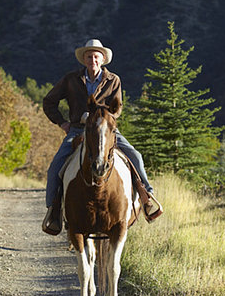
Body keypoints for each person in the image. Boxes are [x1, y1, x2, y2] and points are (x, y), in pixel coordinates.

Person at [42, 38, 154, 235]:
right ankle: (53, 211)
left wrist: (103, 120)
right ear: (83, 59)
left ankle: (148, 198)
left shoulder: (114, 80)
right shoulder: (70, 79)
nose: (92, 60)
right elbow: (49, 101)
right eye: (89, 56)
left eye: (96, 56)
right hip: (77, 129)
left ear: (102, 60)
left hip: (106, 130)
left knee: (135, 156)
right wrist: (63, 123)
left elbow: (117, 109)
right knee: (55, 167)